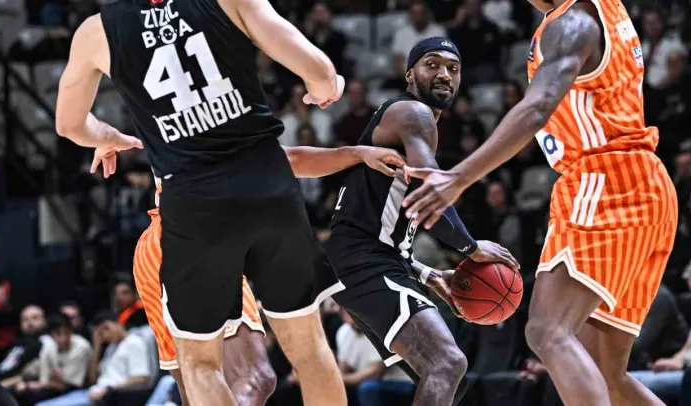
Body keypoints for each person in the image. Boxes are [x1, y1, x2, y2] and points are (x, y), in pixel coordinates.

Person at [54, 0, 355, 403]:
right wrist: (326, 89)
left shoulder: (96, 31)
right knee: (309, 348)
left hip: (193, 204)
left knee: (199, 364)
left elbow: (69, 125)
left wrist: (107, 136)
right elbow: (319, 71)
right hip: (267, 184)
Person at [402, 1, 678, 405]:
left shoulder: (573, 22)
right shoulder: (600, 11)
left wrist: (459, 176)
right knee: (605, 373)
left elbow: (536, 108)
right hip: (644, 185)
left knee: (547, 331)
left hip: (604, 181)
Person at [96, 143, 404, 406]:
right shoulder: (224, 110)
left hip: (154, 246)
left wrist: (104, 136)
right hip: (198, 237)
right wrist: (355, 153)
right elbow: (288, 159)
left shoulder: (164, 108)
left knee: (197, 389)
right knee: (255, 377)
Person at [326, 37, 519, 406]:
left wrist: (426, 274)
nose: (444, 74)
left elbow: (386, 223)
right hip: (363, 262)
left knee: (449, 382)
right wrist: (471, 248)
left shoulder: (413, 121)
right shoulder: (413, 114)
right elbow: (432, 192)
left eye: (453, 68)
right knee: (447, 363)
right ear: (409, 74)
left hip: (365, 261)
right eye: (432, 64)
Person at [37, 312, 152, 406]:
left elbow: (141, 378)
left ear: (118, 323)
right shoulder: (111, 347)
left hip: (112, 396)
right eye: (101, 332)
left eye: (107, 328)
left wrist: (109, 390)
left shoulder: (133, 342)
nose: (106, 334)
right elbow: (93, 379)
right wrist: (96, 348)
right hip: (94, 392)